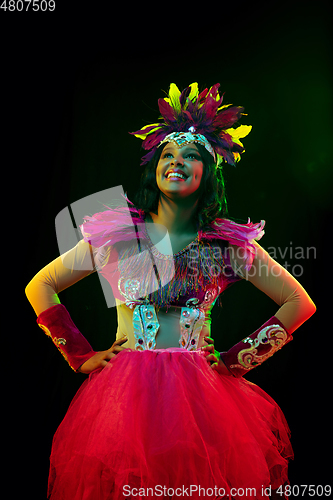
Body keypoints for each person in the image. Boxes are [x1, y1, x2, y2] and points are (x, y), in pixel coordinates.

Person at [26, 82, 316, 500]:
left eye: (191, 155)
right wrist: (79, 354)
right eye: (167, 155)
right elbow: (42, 285)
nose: (176, 162)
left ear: (209, 172)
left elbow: (299, 302)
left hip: (204, 405)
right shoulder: (116, 235)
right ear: (154, 167)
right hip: (122, 404)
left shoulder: (228, 246)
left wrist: (239, 359)